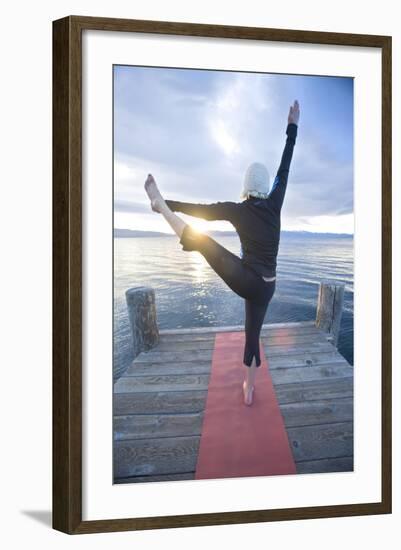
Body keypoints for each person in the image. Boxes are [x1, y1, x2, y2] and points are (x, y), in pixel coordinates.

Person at [144, 100, 300, 405]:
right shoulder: (275, 201)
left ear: (245, 186)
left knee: (203, 243)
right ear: (266, 187)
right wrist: (292, 126)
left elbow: (203, 211)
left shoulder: (238, 210)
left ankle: (160, 205)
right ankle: (249, 388)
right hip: (269, 286)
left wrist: (171, 203)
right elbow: (285, 166)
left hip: (248, 280)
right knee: (252, 335)